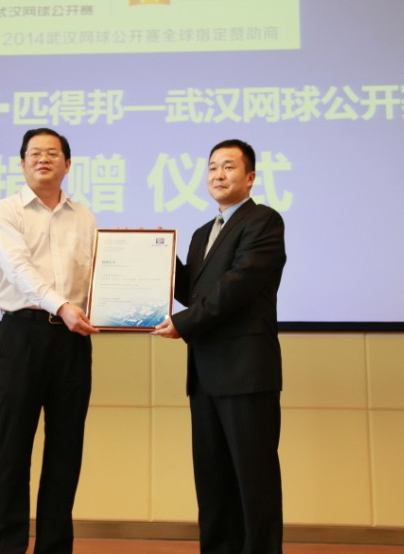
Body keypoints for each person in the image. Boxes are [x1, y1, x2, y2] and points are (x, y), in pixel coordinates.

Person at [152, 139, 287, 554]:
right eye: (212, 167)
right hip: (205, 374)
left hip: (246, 372)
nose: (217, 174)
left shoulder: (264, 221)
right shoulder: (200, 234)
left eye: (228, 166)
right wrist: (155, 257)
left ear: (250, 177)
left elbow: (238, 285)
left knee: (253, 479)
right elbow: (195, 290)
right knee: (212, 481)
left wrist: (184, 323)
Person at [0, 127, 100, 554]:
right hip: (24, 335)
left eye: (52, 153)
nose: (43, 159)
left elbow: (98, 275)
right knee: (14, 446)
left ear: (68, 164)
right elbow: (18, 270)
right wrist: (61, 306)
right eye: (34, 153)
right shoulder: (5, 212)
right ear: (22, 163)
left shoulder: (84, 217)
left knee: (67, 448)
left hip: (72, 341)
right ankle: (4, 546)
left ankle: (55, 546)